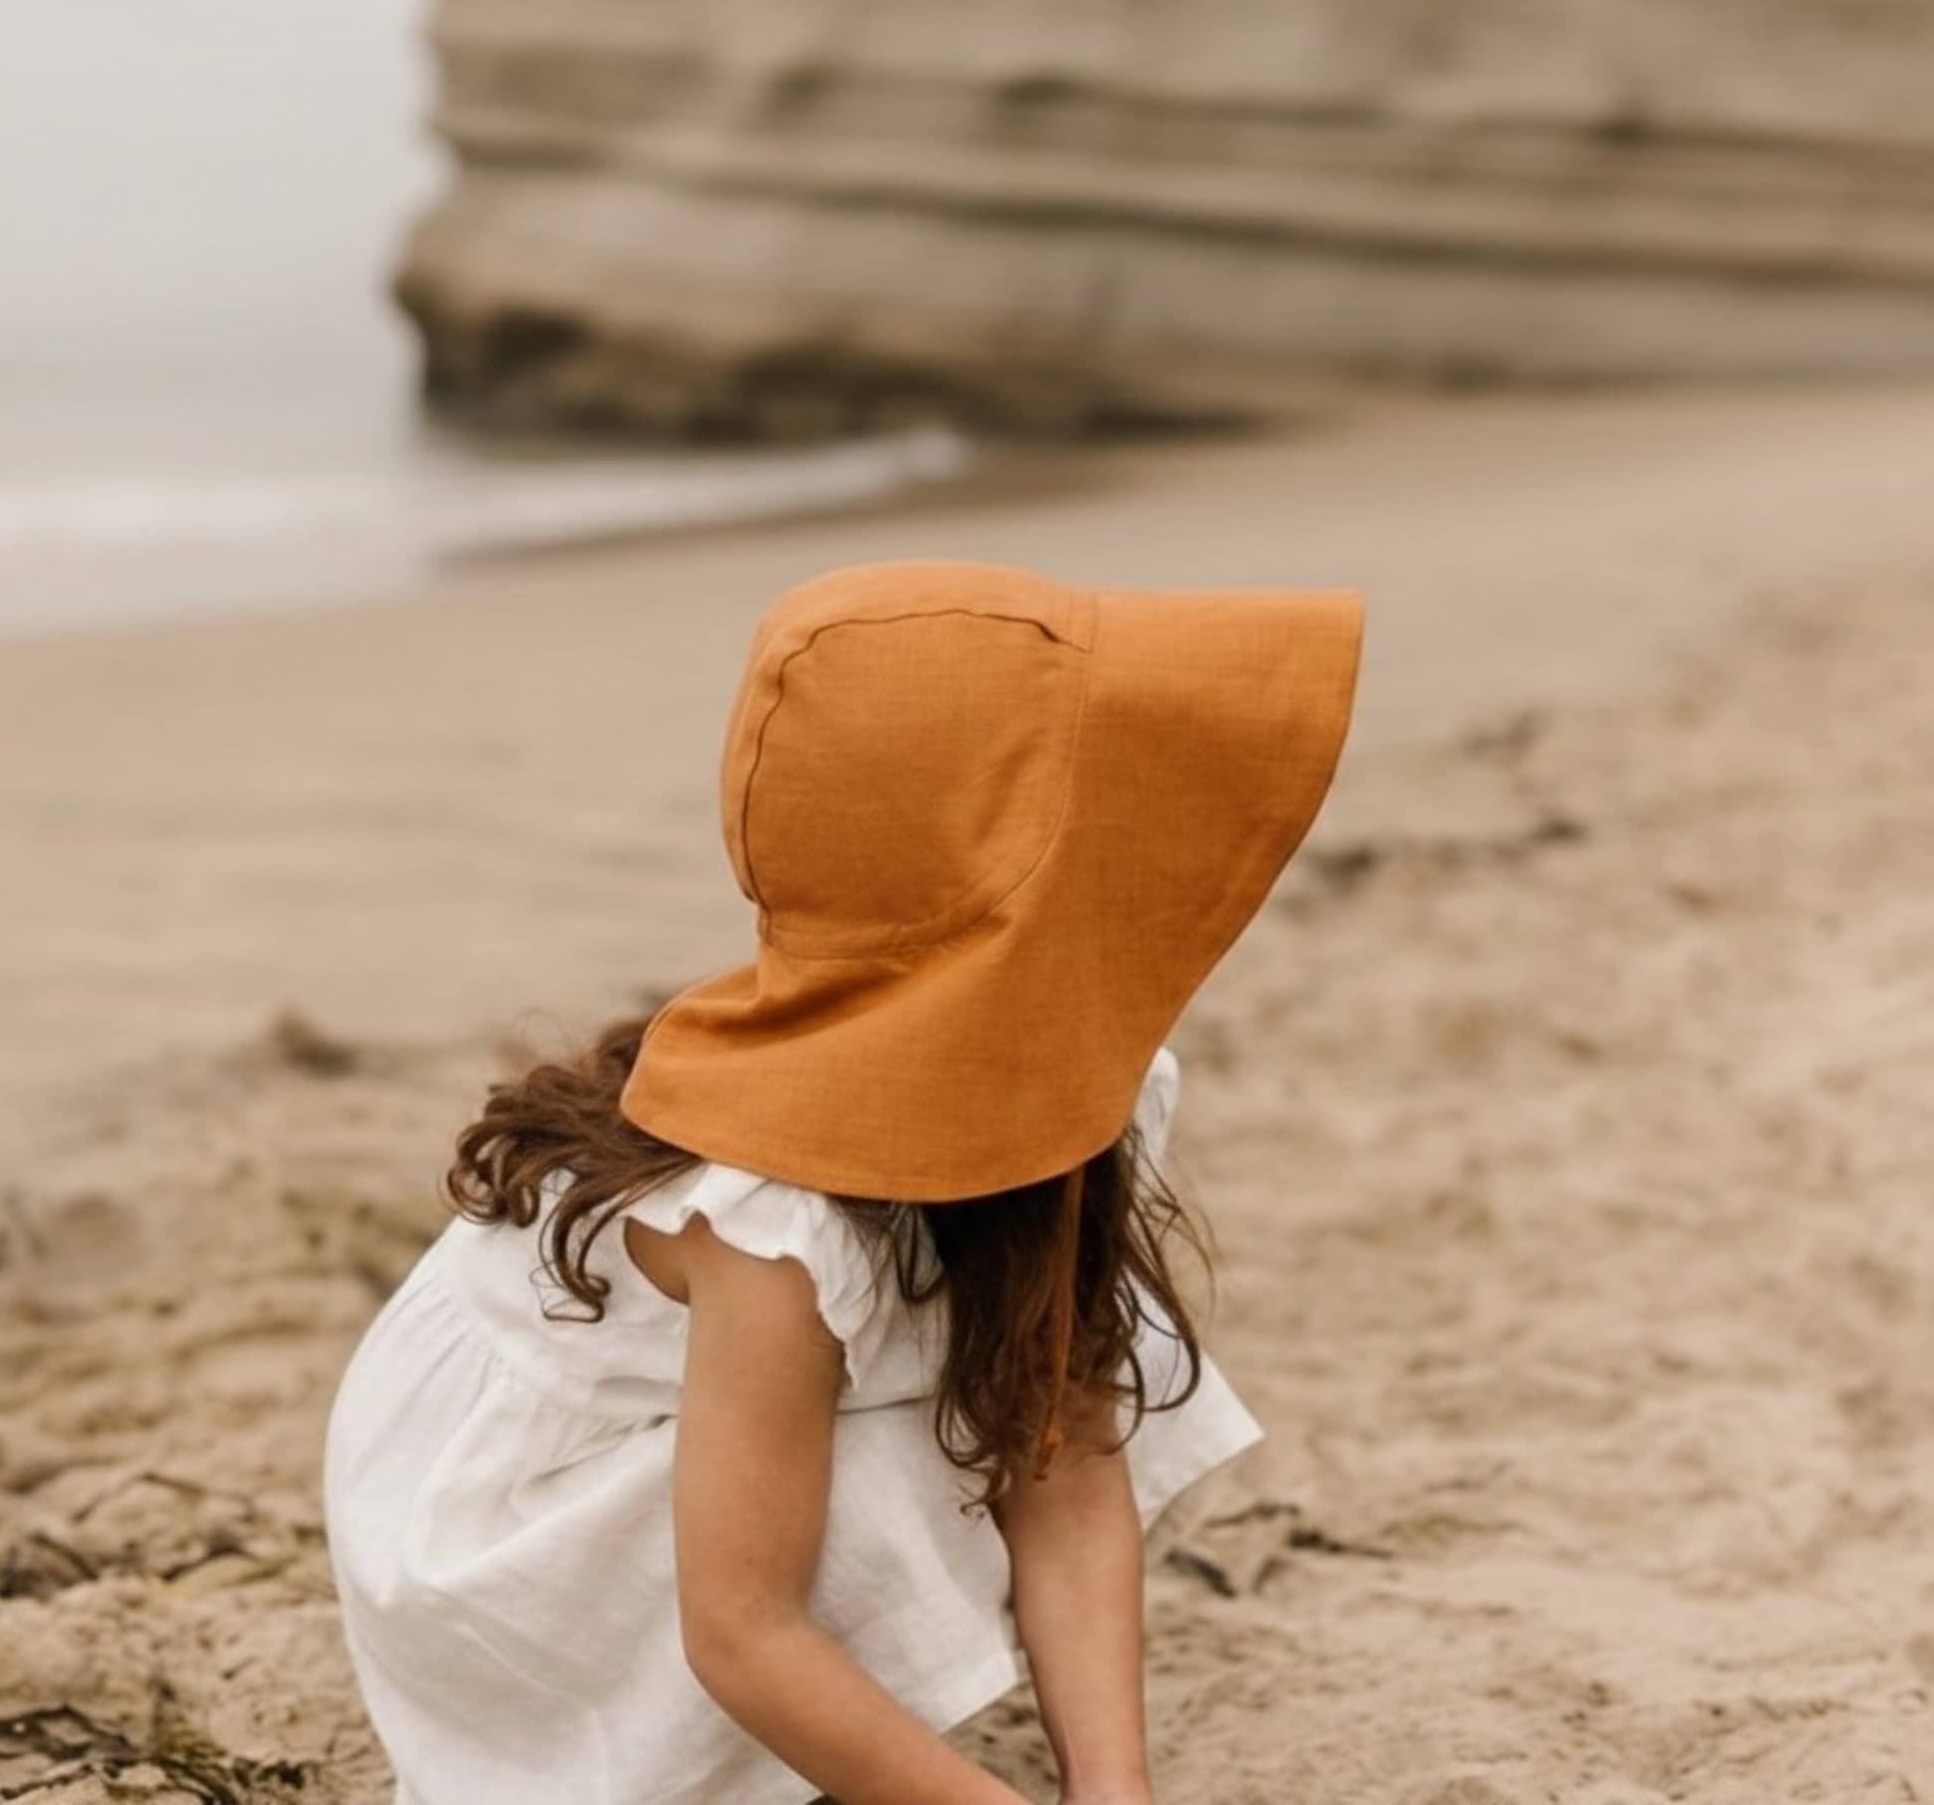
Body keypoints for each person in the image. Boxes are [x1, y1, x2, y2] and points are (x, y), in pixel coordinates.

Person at [322, 556, 1365, 1805]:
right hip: (502, 1536)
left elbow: (1067, 1455)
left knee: (1006, 1383)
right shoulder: (769, 1223)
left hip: (719, 1448)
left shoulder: (1068, 1069)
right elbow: (740, 1630)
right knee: (901, 1480)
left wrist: (1111, 1791)